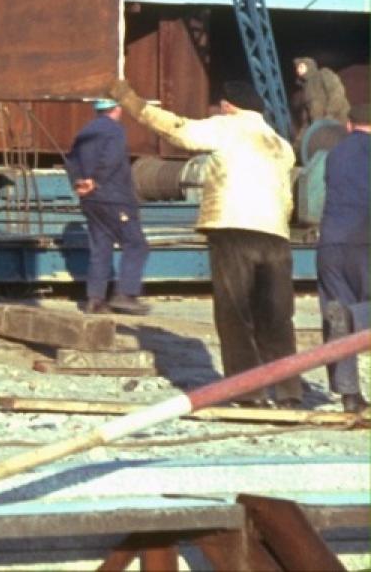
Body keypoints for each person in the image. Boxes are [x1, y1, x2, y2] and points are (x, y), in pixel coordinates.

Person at [109, 77, 300, 406]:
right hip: (276, 235)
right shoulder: (281, 145)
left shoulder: (227, 127)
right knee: (276, 315)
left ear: (228, 105)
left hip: (232, 227)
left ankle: (248, 391)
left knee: (235, 313)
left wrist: (130, 100)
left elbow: (178, 129)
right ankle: (288, 391)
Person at [65, 97, 150, 315]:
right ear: (118, 109)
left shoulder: (85, 131)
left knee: (100, 247)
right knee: (136, 243)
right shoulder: (115, 131)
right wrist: (96, 180)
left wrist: (79, 183)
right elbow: (111, 159)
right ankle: (126, 293)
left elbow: (71, 160)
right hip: (114, 197)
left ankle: (95, 300)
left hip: (90, 200)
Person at [318, 104, 370, 414]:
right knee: (353, 315)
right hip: (366, 238)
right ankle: (359, 318)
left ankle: (349, 395)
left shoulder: (335, 154)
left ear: (349, 125)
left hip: (332, 241)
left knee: (336, 311)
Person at [293, 57, 350, 130]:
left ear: (309, 65)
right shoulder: (305, 88)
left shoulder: (322, 74)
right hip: (321, 126)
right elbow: (306, 117)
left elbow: (337, 92)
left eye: (301, 66)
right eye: (297, 68)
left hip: (337, 119)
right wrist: (302, 137)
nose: (298, 70)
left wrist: (330, 114)